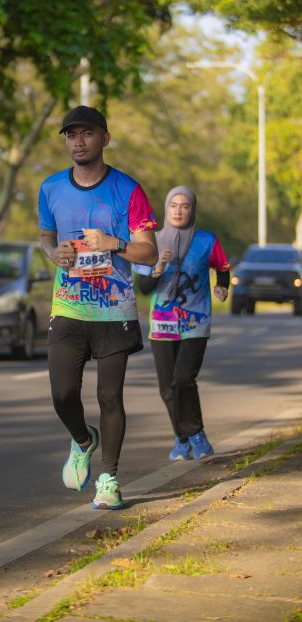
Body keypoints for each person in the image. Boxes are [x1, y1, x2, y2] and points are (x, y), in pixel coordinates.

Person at [38, 105, 158, 509]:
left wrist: (114, 243)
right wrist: (53, 253)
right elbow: (45, 235)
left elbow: (148, 251)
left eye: (87, 133)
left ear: (104, 138)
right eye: (71, 135)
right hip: (68, 305)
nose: (78, 142)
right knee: (62, 393)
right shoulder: (51, 188)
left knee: (110, 396)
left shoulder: (128, 190)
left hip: (114, 309)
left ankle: (109, 478)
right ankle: (82, 439)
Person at [136, 185, 230, 461]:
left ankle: (197, 434)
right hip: (162, 323)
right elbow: (144, 288)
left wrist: (222, 286)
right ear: (166, 209)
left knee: (183, 379)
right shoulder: (151, 241)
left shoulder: (206, 241)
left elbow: (223, 266)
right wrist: (158, 268)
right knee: (167, 388)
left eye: (185, 206)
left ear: (192, 209)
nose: (178, 211)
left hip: (195, 321)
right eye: (173, 205)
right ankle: (182, 438)